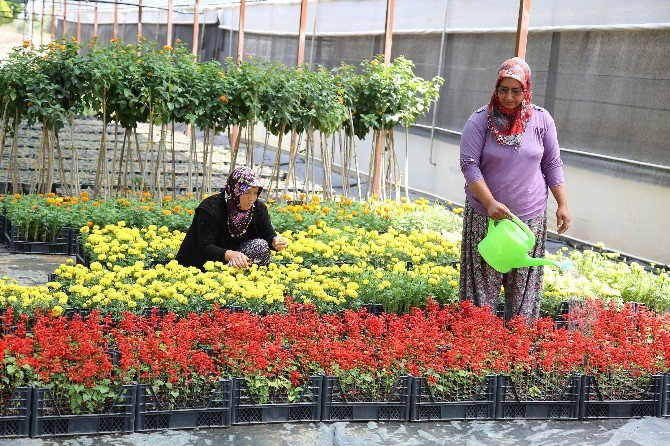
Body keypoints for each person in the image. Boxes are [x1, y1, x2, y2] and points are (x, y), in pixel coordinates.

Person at [458, 57, 570, 322]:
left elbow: (552, 163)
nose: (509, 96)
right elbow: (469, 165)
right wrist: (489, 203)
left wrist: (562, 204)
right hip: (486, 219)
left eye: (516, 90)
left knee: (522, 288)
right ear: (495, 88)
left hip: (527, 220)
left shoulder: (542, 121)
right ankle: (476, 343)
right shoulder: (479, 122)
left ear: (526, 90)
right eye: (503, 89)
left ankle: (517, 345)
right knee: (481, 288)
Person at [176, 166, 288, 270]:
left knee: (260, 245)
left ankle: (244, 281)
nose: (252, 198)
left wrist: (275, 241)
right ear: (235, 190)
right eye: (247, 192)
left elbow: (268, 235)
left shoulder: (257, 208)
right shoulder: (211, 208)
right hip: (199, 265)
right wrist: (231, 255)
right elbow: (205, 247)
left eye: (255, 193)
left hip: (234, 263)